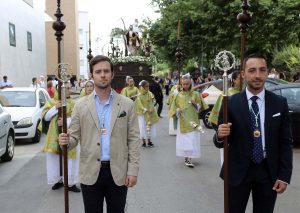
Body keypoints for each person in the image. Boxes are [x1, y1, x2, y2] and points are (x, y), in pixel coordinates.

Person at [58, 55, 140, 213]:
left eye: (106, 71)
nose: (103, 75)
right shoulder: (80, 106)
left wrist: (133, 171)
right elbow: (74, 137)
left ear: (112, 74)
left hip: (118, 172)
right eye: (98, 71)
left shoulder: (127, 104)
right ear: (91, 75)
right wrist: (66, 140)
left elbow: (134, 140)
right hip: (90, 172)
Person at [213, 53, 293, 213]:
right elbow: (219, 140)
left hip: (268, 171)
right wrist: (220, 135)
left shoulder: (279, 103)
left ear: (266, 72)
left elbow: (285, 142)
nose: (257, 75)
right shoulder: (231, 102)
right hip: (237, 171)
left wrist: (284, 176)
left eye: (262, 70)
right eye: (252, 70)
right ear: (243, 74)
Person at [42, 84, 81, 193]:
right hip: (54, 135)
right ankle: (57, 180)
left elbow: (76, 119)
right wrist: (55, 108)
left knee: (70, 160)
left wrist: (65, 121)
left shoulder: (74, 103)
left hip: (70, 135)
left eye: (69, 88)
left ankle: (70, 182)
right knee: (55, 159)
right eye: (67, 88)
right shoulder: (52, 102)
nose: (70, 90)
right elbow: (46, 117)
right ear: (60, 90)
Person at [169, 74, 208, 168]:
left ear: (190, 83)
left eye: (187, 84)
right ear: (181, 84)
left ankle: (190, 158)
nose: (185, 86)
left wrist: (195, 104)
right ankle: (186, 158)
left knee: (192, 140)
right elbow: (174, 107)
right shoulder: (179, 95)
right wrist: (178, 111)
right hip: (183, 121)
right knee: (185, 141)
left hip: (193, 121)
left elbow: (200, 107)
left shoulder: (195, 94)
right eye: (184, 84)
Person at [208, 70, 242, 165]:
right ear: (234, 80)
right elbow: (218, 115)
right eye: (240, 79)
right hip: (229, 132)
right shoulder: (226, 94)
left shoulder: (247, 94)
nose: (243, 81)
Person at [135, 80, 159, 147]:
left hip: (150, 112)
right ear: (142, 87)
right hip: (142, 114)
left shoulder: (150, 93)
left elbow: (153, 101)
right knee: (142, 127)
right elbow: (138, 104)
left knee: (149, 126)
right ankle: (143, 142)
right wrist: (144, 109)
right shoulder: (139, 95)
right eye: (146, 86)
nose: (148, 87)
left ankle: (149, 141)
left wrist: (152, 108)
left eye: (148, 86)